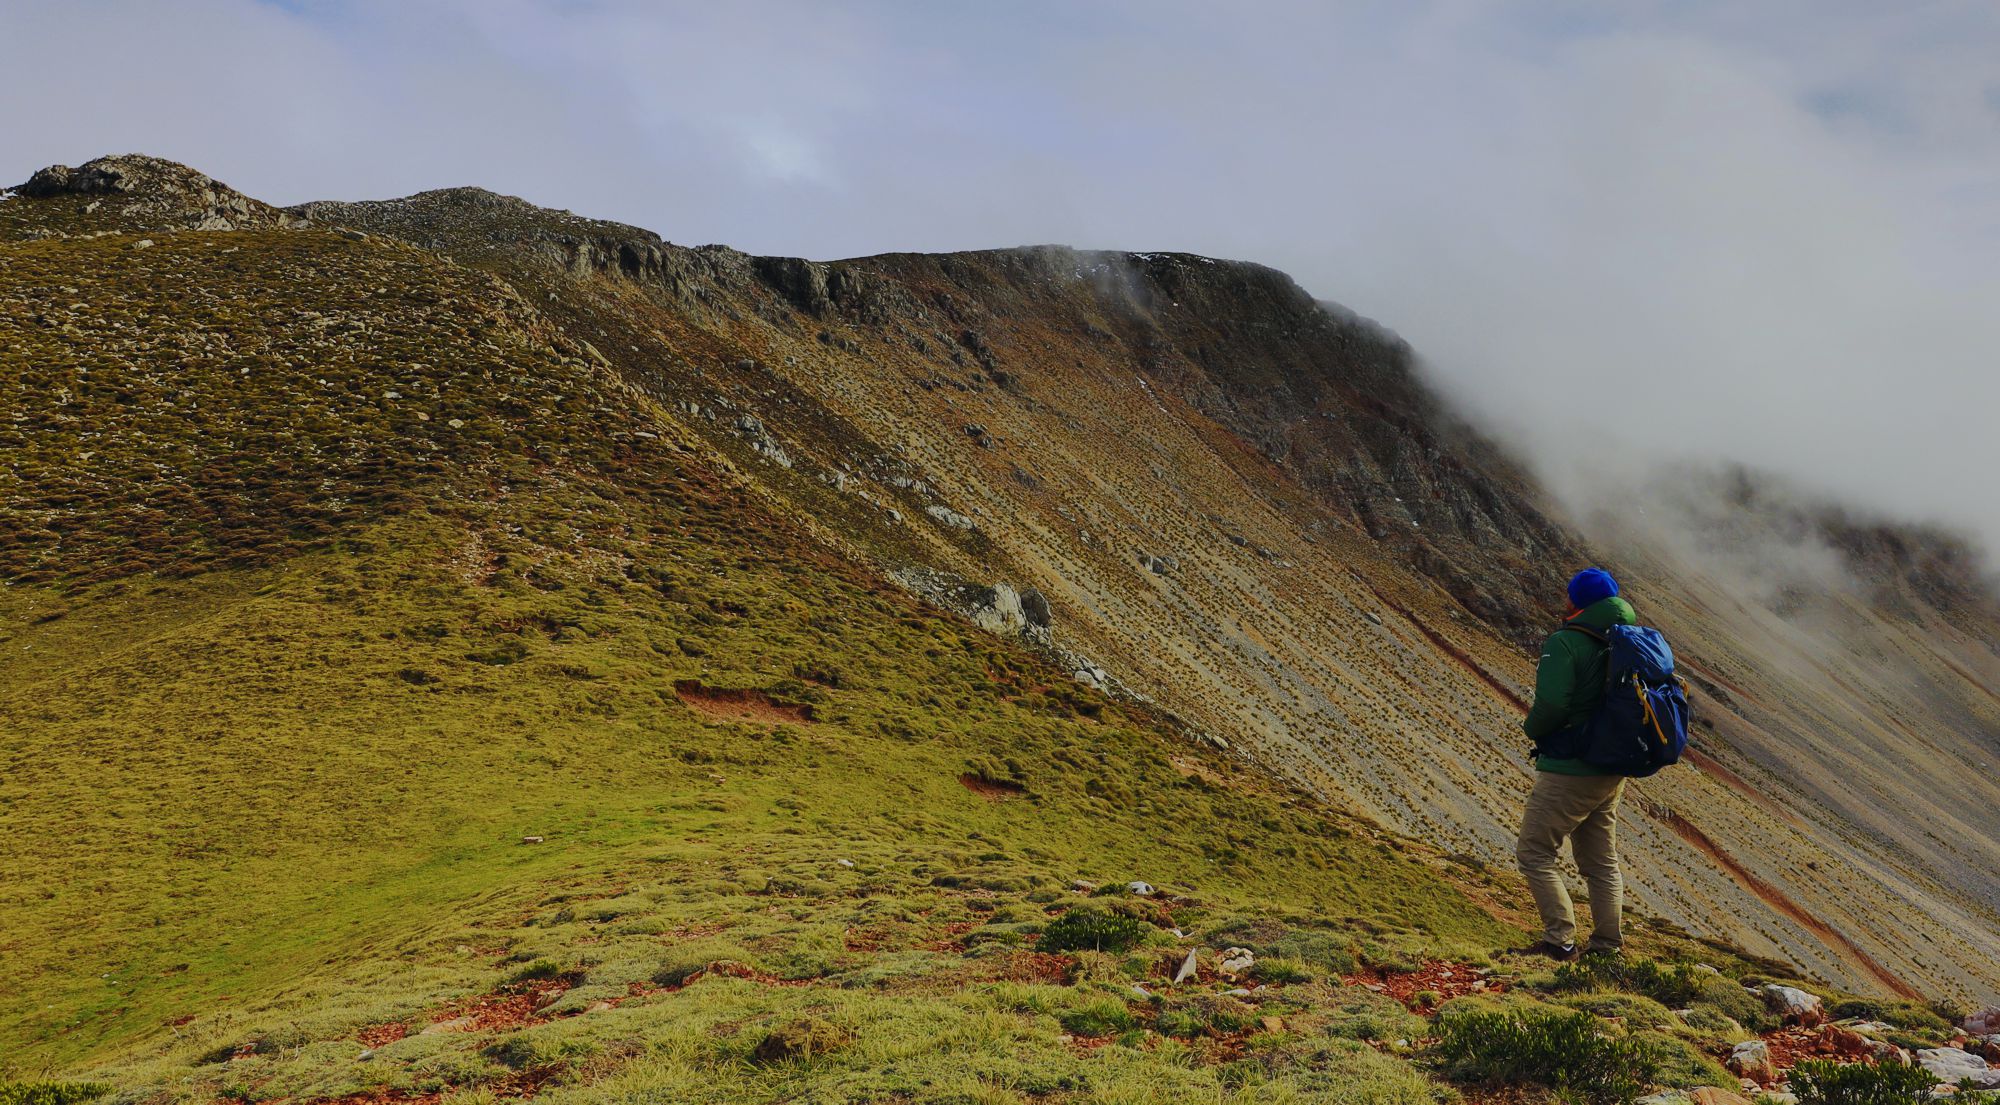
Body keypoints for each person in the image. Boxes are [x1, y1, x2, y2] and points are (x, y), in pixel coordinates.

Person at [1516, 567, 1634, 960]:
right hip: (1612, 766)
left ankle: (1559, 940)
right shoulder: (1625, 640)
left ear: (1577, 601)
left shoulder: (1566, 642)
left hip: (1571, 769)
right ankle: (1606, 947)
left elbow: (1551, 704)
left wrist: (1531, 729)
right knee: (1601, 862)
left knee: (1534, 852)